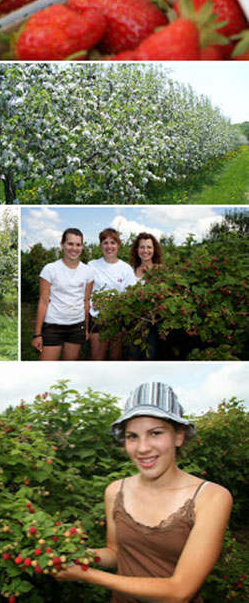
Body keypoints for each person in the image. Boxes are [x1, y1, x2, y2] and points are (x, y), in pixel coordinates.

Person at [56, 381, 233, 601]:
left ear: (179, 436)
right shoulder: (115, 491)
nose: (142, 448)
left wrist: (88, 575)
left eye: (155, 433)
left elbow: (180, 592)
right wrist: (75, 555)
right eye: (132, 436)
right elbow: (117, 553)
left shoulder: (211, 497)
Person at [32, 228, 94, 362]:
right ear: (62, 245)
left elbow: (86, 301)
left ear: (82, 247)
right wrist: (37, 334)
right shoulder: (50, 269)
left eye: (78, 244)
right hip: (53, 325)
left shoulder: (88, 272)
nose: (74, 248)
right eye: (70, 244)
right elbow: (43, 302)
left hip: (77, 326)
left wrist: (86, 328)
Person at [88, 228, 137, 360]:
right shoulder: (91, 266)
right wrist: (93, 302)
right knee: (97, 358)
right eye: (105, 243)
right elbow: (84, 294)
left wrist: (111, 300)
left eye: (112, 243)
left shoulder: (126, 268)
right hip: (97, 319)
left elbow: (130, 295)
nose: (109, 246)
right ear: (101, 246)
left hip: (117, 320)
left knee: (116, 357)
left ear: (118, 245)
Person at [128, 232, 164, 360]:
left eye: (149, 247)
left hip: (152, 321)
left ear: (154, 250)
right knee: (132, 355)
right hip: (133, 321)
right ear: (137, 250)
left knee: (150, 355)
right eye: (142, 247)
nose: (145, 251)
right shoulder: (131, 270)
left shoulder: (160, 270)